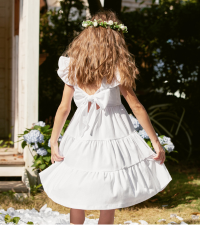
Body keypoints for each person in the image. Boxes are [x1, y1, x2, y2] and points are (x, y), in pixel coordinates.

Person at [39, 10, 172, 225]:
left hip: (80, 132)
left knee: (77, 190)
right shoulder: (116, 68)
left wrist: (54, 141)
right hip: (113, 130)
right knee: (109, 191)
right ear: (114, 40)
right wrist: (155, 141)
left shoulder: (74, 67)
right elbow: (136, 106)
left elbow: (63, 108)